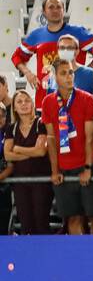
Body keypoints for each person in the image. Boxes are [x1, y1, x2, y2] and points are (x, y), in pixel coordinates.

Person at [42, 58, 93, 234]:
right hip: (64, 168)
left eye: (71, 72)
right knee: (73, 218)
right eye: (63, 73)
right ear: (55, 77)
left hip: (86, 165)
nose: (68, 77)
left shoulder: (87, 99)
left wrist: (88, 168)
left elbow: (90, 138)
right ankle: (80, 258)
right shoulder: (48, 102)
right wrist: (54, 170)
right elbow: (51, 139)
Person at [12, 0, 93, 91]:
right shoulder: (36, 35)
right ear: (44, 12)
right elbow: (16, 56)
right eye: (51, 7)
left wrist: (84, 73)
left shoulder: (78, 32)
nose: (55, 10)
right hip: (44, 95)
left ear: (64, 10)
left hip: (75, 96)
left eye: (58, 7)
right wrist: (28, 73)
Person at [5, 88, 53, 235]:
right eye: (19, 101)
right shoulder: (11, 128)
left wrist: (18, 149)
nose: (24, 104)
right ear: (14, 107)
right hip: (20, 182)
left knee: (41, 222)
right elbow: (7, 155)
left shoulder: (41, 123)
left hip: (41, 180)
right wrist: (31, 152)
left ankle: (45, 256)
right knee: (26, 224)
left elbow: (41, 151)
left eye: (27, 101)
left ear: (32, 104)